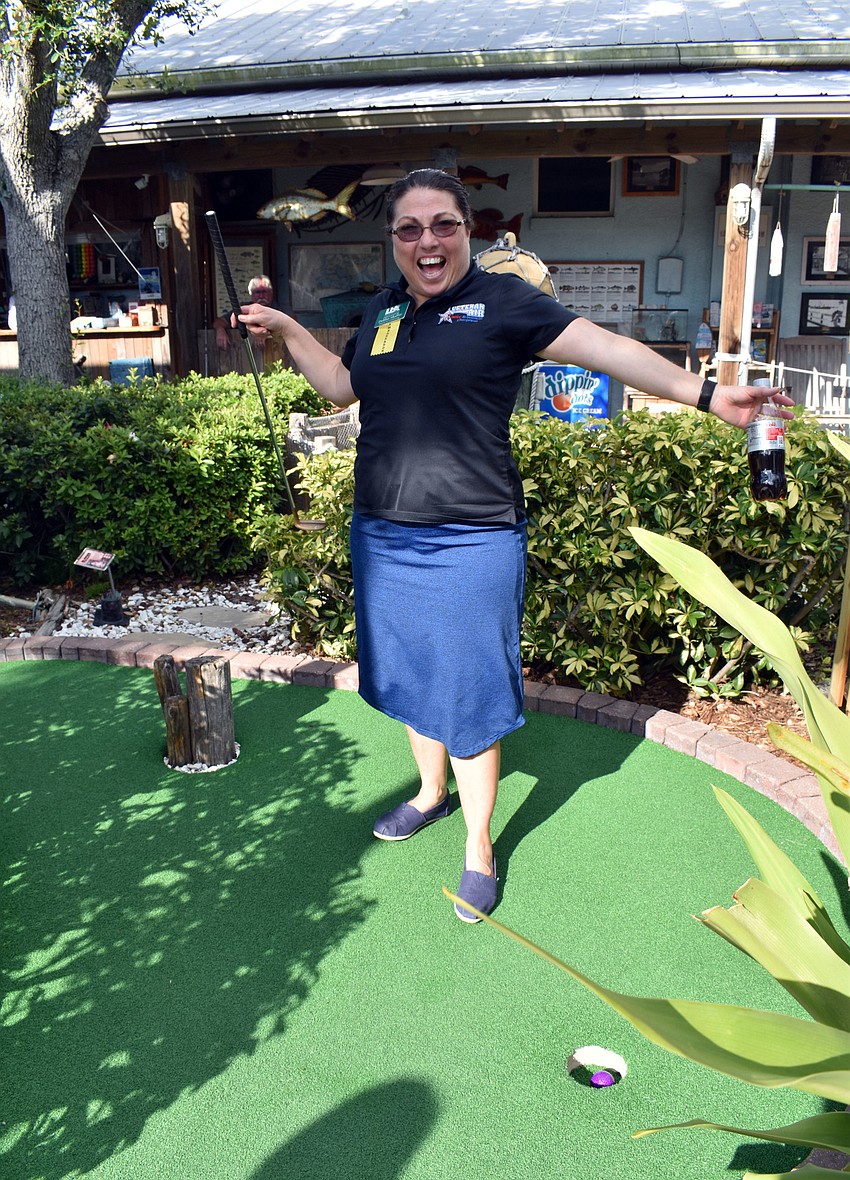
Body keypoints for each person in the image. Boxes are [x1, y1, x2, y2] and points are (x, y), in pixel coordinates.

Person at [237, 168, 793, 924]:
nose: (426, 241)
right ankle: (430, 795)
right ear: (393, 240)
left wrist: (706, 394)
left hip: (471, 537)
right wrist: (291, 330)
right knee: (408, 673)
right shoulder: (386, 307)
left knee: (464, 691)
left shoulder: (505, 302)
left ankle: (478, 846)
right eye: (409, 228)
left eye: (443, 225)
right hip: (383, 532)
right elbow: (342, 387)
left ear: (468, 232)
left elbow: (605, 348)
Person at [214, 274, 277, 350]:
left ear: (271, 292)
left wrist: (267, 334)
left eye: (264, 291)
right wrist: (220, 330)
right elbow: (220, 321)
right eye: (258, 292)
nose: (261, 296)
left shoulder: (280, 308)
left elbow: (291, 323)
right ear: (251, 294)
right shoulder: (244, 308)